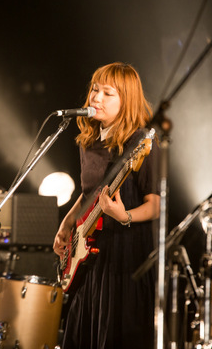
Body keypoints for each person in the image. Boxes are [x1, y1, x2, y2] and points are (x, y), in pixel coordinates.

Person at [53, 61, 160, 349]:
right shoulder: (88, 141)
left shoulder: (142, 141)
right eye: (94, 90)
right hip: (89, 256)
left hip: (124, 256)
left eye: (107, 93)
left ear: (127, 101)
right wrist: (66, 223)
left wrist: (124, 215)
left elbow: (156, 204)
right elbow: (89, 193)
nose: (96, 98)